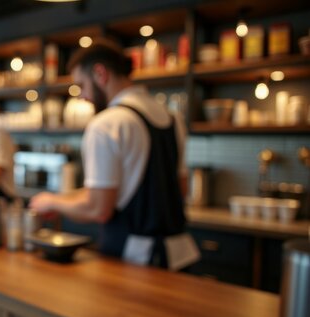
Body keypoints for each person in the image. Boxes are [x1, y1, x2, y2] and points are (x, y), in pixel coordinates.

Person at [29, 40, 200, 270]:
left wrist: (53, 202)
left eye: (81, 85)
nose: (82, 97)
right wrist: (64, 199)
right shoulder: (172, 119)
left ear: (100, 73)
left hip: (136, 261)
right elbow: (180, 189)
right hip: (180, 254)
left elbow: (99, 208)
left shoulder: (107, 123)